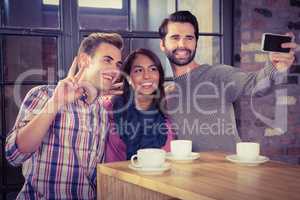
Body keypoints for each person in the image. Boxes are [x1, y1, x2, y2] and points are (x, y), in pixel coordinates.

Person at [158, 11, 298, 152]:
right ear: (162, 44)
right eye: (175, 37)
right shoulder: (168, 93)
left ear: (195, 43)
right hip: (191, 171)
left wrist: (274, 68)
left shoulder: (217, 75)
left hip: (230, 170)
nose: (182, 44)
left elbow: (255, 84)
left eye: (189, 38)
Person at [5, 32, 123, 199]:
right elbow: (14, 155)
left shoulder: (103, 111)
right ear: (84, 60)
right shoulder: (44, 95)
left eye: (118, 64)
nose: (115, 70)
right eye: (107, 60)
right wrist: (56, 103)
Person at [104, 48, 175, 162]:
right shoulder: (109, 109)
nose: (147, 76)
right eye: (138, 71)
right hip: (117, 177)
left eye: (153, 69)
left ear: (160, 75)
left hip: (162, 178)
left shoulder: (169, 108)